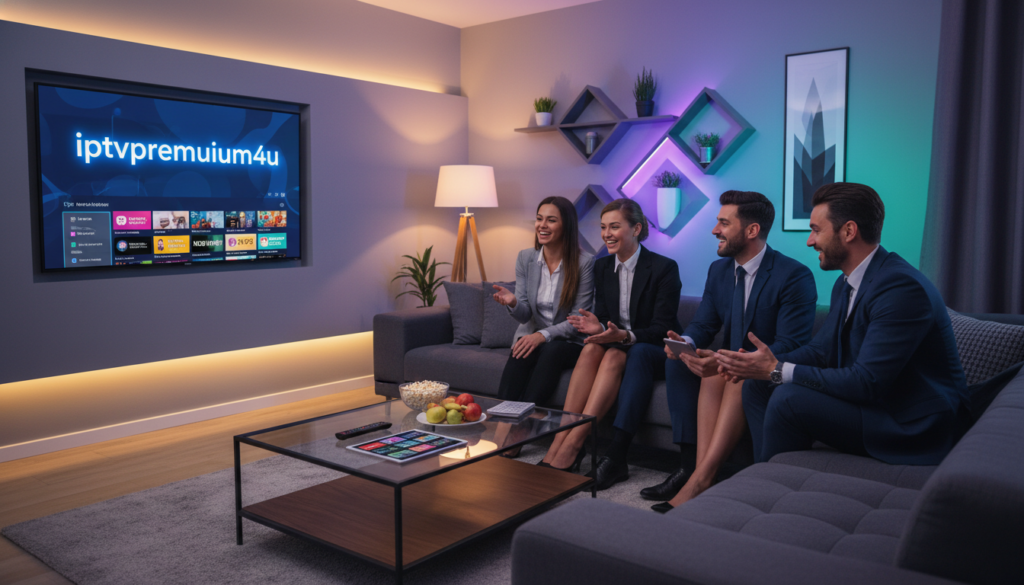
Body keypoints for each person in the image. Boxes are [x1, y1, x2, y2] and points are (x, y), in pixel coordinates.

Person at [717, 182, 969, 467]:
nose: (810, 241)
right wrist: (757, 364)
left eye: (816, 230)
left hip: (913, 425)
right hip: (876, 405)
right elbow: (821, 351)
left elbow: (866, 382)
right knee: (757, 385)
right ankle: (768, 476)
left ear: (849, 231)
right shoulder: (846, 283)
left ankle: (767, 488)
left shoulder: (900, 288)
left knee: (789, 398)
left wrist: (778, 370)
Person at [594, 191, 818, 498]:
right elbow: (704, 323)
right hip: (725, 364)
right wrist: (684, 342)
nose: (715, 230)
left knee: (728, 375)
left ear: (751, 230)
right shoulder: (719, 270)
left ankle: (701, 478)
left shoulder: (794, 276)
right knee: (676, 360)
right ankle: (690, 467)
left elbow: (791, 343)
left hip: (762, 372)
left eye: (723, 223)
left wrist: (733, 360)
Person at [539, 199, 681, 473]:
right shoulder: (602, 267)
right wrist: (599, 329)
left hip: (651, 347)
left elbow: (662, 328)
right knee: (591, 349)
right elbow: (604, 318)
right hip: (616, 340)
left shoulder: (664, 268)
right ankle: (561, 439)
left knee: (615, 353)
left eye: (614, 227)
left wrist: (621, 336)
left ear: (636, 228)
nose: (606, 234)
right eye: (603, 227)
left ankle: (574, 444)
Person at [492, 196, 595, 407]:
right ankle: (501, 423)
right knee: (523, 347)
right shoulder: (525, 258)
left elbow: (577, 320)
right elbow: (524, 315)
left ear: (566, 225)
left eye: (551, 220)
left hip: (568, 343)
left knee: (551, 349)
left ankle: (525, 422)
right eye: (539, 219)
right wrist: (513, 303)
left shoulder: (585, 263)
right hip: (533, 339)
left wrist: (542, 336)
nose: (542, 225)